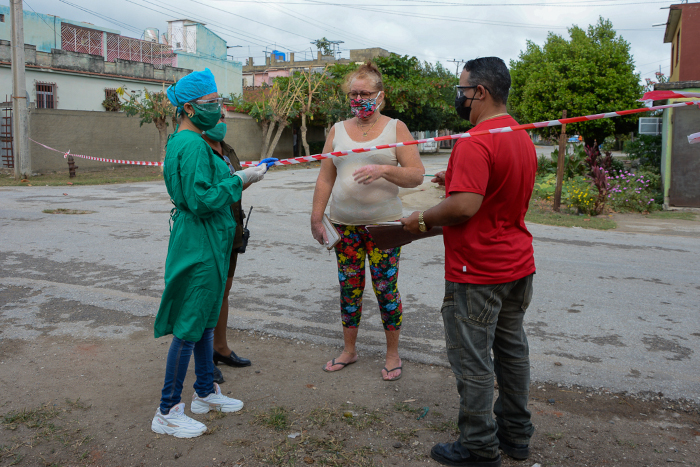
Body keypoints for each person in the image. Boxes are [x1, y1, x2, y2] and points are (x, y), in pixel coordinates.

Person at [401, 57, 537, 466]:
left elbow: (464, 207)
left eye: (462, 90)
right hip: (517, 264)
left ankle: (479, 446)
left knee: (473, 359)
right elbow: (497, 187)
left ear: (480, 91)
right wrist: (455, 180)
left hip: (477, 270)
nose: (459, 97)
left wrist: (420, 219)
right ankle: (516, 434)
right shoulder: (519, 135)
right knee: (512, 353)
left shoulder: (475, 140)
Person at [151, 69, 268, 439]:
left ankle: (204, 391)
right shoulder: (190, 145)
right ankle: (168, 410)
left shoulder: (194, 141)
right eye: (212, 102)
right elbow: (200, 199)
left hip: (211, 238)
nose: (219, 109)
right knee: (189, 324)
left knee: (204, 319)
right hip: (199, 241)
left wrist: (238, 177)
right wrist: (240, 180)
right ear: (189, 107)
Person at [310, 61, 425, 382]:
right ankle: (349, 350)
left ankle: (392, 354)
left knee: (386, 290)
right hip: (343, 227)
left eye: (364, 93)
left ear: (380, 96)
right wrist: (316, 217)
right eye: (353, 94)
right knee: (349, 289)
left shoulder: (396, 128)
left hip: (384, 227)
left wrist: (384, 169)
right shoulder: (337, 130)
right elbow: (325, 177)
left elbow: (417, 175)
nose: (358, 99)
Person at [200, 114, 254, 386]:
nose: (220, 119)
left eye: (222, 115)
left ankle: (220, 348)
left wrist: (252, 175)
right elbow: (206, 194)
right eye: (215, 114)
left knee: (223, 291)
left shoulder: (226, 148)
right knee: (208, 294)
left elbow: (234, 186)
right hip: (210, 229)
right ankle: (204, 359)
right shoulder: (199, 149)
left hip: (232, 227)